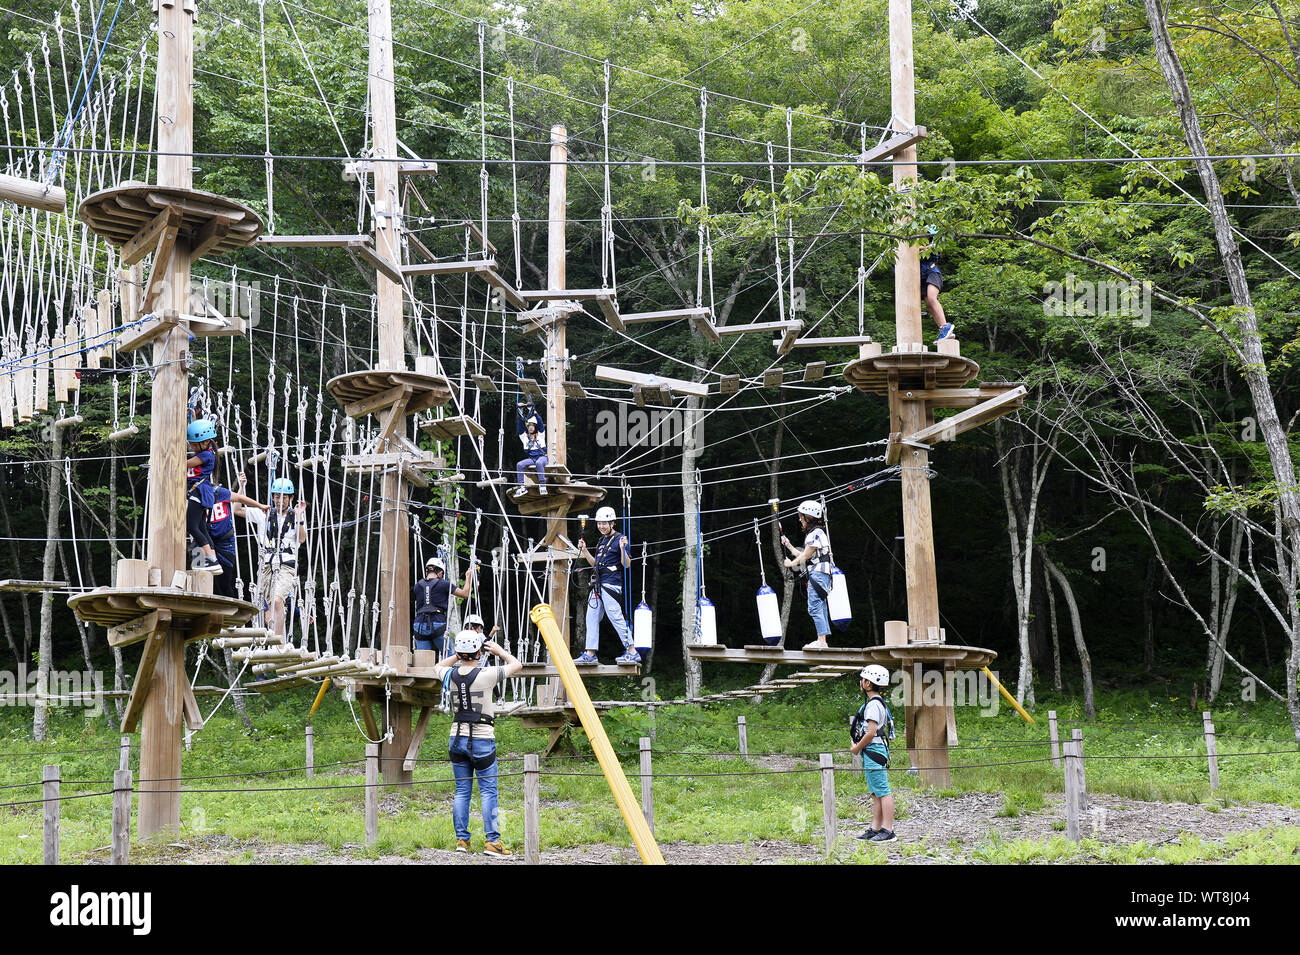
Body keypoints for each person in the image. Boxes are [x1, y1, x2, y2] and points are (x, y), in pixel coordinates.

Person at [434, 629, 523, 857]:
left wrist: (456, 655)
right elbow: (516, 664)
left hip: (456, 737)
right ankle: (492, 842)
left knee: (462, 791)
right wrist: (499, 651)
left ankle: (462, 840)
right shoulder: (487, 674)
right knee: (488, 791)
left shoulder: (448, 675)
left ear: (459, 652)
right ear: (478, 652)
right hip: (482, 738)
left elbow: (438, 665)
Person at [243, 477, 307, 639]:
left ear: (291, 498)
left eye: (284, 497)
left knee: (278, 601)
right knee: (271, 605)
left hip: (286, 565)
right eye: (277, 496)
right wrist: (242, 486)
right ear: (273, 497)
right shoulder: (264, 513)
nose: (280, 501)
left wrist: (299, 517)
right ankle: (275, 640)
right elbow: (237, 509)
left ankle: (278, 641)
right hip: (267, 566)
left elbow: (301, 539)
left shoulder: (295, 517)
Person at [576, 506, 637, 665]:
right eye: (599, 523)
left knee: (615, 617)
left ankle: (632, 650)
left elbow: (627, 564)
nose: (601, 526)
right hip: (598, 584)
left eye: (605, 523)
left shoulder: (620, 539)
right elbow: (595, 564)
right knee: (591, 617)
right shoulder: (601, 541)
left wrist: (623, 549)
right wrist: (585, 551)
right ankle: (590, 653)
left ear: (612, 523)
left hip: (610, 585)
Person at [850, 664, 897, 843]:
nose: (860, 682)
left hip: (873, 751)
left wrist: (856, 747)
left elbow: (871, 732)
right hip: (873, 751)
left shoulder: (872, 706)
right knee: (876, 792)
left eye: (862, 679)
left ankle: (888, 830)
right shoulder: (876, 703)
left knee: (883, 791)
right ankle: (876, 828)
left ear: (868, 684)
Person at [781, 499, 835, 649]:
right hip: (821, 574)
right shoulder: (816, 533)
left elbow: (804, 557)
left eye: (801, 516)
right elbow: (805, 554)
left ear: (808, 517)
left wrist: (790, 564)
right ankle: (822, 640)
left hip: (818, 575)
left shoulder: (815, 533)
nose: (800, 519)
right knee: (820, 606)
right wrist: (789, 545)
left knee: (814, 607)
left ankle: (822, 641)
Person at [207, 473, 267, 599]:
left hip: (225, 542)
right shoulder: (195, 497)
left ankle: (229, 609)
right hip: (205, 543)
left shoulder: (220, 492)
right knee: (204, 578)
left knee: (223, 582)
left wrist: (259, 505)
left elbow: (239, 499)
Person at [413, 557, 475, 654]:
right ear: (439, 572)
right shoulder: (444, 584)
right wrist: (468, 577)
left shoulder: (417, 586)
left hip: (419, 625)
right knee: (448, 655)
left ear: (426, 571)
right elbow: (465, 594)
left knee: (423, 659)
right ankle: (447, 669)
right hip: (437, 623)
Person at [185, 419, 222, 573]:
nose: (192, 446)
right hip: (200, 492)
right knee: (201, 527)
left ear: (206, 442)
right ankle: (214, 560)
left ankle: (211, 559)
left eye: (194, 444)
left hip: (198, 492)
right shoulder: (203, 451)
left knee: (191, 526)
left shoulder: (207, 455)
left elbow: (185, 463)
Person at [920, 234, 953, 342]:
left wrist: (919, 248)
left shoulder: (932, 246)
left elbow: (934, 248)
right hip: (921, 278)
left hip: (932, 273)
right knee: (929, 305)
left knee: (932, 297)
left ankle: (945, 326)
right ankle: (944, 331)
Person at [513, 400, 548, 497]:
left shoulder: (540, 435)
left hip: (542, 457)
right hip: (532, 458)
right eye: (529, 426)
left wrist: (533, 411)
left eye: (533, 426)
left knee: (539, 463)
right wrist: (520, 410)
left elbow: (540, 423)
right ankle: (521, 487)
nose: (531, 428)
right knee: (519, 464)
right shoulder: (524, 437)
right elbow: (520, 426)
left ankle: (542, 485)